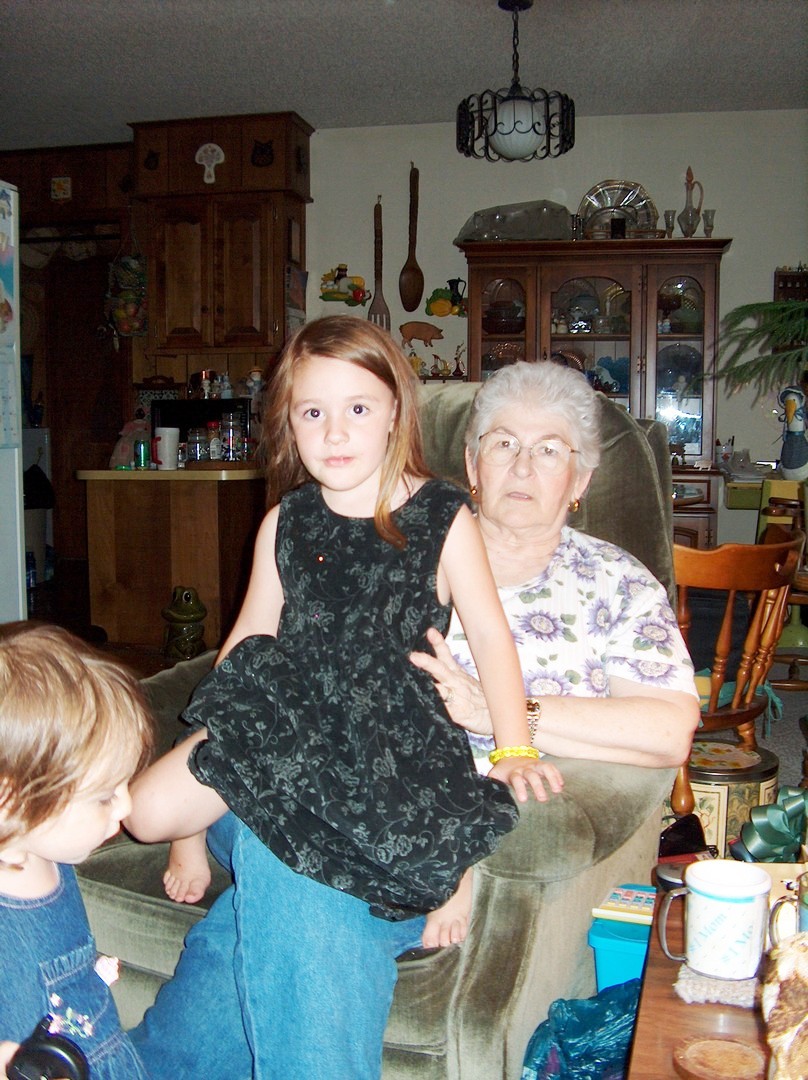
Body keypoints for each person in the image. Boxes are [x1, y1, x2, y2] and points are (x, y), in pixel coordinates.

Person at [126, 317, 563, 1079]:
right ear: (287, 423)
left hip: (384, 744)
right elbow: (246, 643)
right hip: (285, 722)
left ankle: (442, 866)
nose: (334, 432)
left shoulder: (442, 515)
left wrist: (514, 744)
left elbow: (493, 639)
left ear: (395, 412)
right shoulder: (284, 522)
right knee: (143, 812)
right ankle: (197, 830)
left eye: (358, 408)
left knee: (296, 866)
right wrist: (202, 773)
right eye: (312, 412)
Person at [410, 360, 699, 796]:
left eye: (548, 450)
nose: (522, 468)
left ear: (580, 481)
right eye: (504, 443)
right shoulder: (409, 558)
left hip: (543, 808)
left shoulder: (619, 582)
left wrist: (503, 713)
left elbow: (670, 731)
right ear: (473, 465)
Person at [0, 623, 154, 1080]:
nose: (125, 807)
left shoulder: (47, 851)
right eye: (105, 795)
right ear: (11, 802)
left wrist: (87, 981)